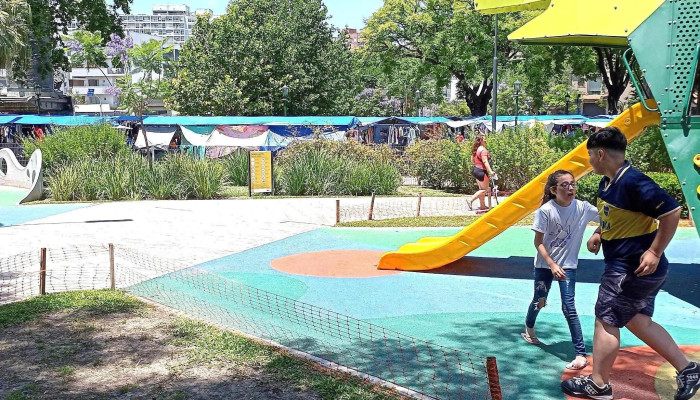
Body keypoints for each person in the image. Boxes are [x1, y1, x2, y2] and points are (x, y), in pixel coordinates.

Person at [561, 127, 700, 400]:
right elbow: (614, 215)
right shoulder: (608, 183)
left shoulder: (633, 181)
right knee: (638, 321)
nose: (589, 161)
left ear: (601, 154)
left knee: (606, 320)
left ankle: (599, 385)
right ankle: (689, 370)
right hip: (633, 268)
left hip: (630, 269)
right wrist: (600, 232)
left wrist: (655, 251)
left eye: (590, 155)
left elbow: (672, 212)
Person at [522, 170, 600, 370]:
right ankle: (529, 329)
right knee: (540, 300)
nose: (571, 188)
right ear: (553, 190)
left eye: (573, 184)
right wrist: (551, 264)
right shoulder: (546, 211)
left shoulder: (583, 208)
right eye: (565, 185)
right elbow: (538, 242)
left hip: (568, 265)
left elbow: (609, 219)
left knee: (569, 306)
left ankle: (580, 354)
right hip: (544, 264)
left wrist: (597, 234)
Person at [467, 134, 496, 211]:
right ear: (481, 141)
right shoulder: (483, 150)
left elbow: (472, 160)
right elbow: (485, 161)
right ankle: (470, 200)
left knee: (481, 189)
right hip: (482, 171)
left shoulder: (475, 150)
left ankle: (482, 205)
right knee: (485, 190)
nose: (485, 140)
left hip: (476, 170)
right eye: (484, 139)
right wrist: (490, 171)